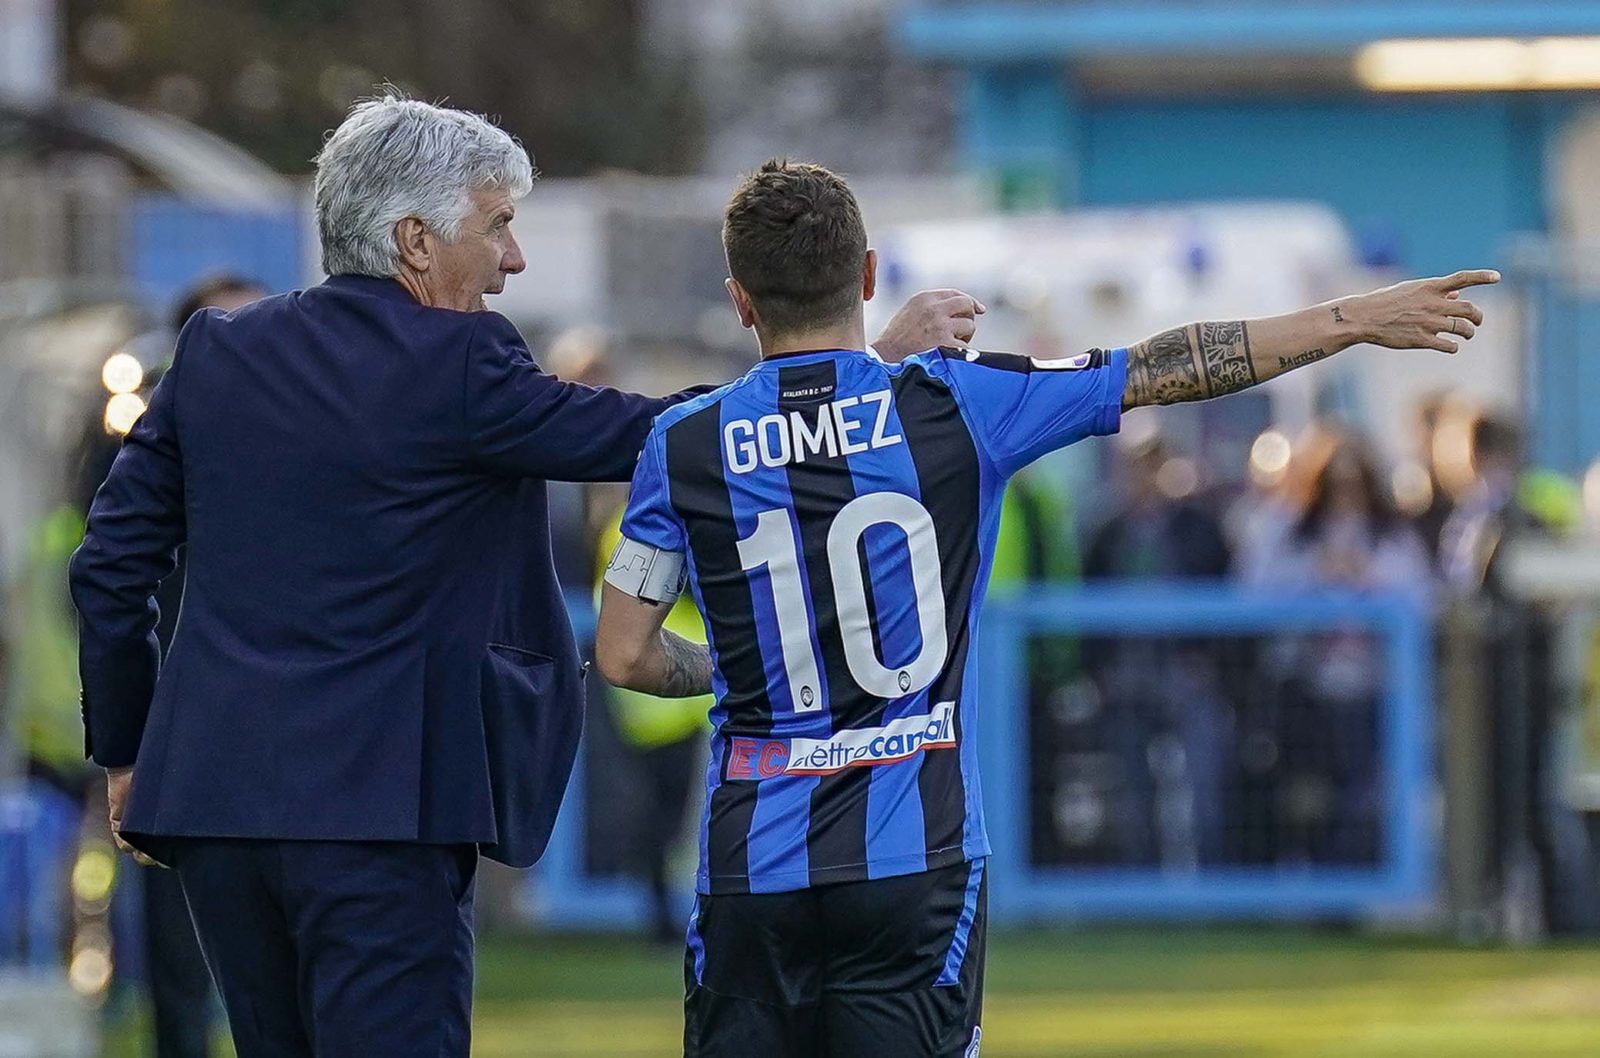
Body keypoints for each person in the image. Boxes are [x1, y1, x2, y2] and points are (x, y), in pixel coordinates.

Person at [68, 98, 980, 1058]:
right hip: (384, 818)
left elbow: (110, 566)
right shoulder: (460, 360)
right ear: (415, 241)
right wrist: (858, 368)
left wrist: (128, 755)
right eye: (497, 224)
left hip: (219, 809)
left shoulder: (216, 352)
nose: (516, 258)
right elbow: (666, 433)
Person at [593, 157, 1498, 1057]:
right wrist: (1353, 319)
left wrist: (744, 671)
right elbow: (1165, 366)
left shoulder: (682, 445)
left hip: (755, 859)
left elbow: (627, 654)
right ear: (867, 275)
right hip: (914, 858)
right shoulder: (958, 403)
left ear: (741, 299)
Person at [1247, 427, 1432, 864]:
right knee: (1308, 794)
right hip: (1307, 692)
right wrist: (1317, 574)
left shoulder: (1392, 538)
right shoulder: (1291, 536)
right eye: (1335, 485)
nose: (1346, 496)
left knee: (1367, 791)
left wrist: (1370, 579)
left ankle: (1358, 878)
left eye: (1356, 484)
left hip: (1373, 690)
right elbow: (1255, 592)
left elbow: (1422, 597)